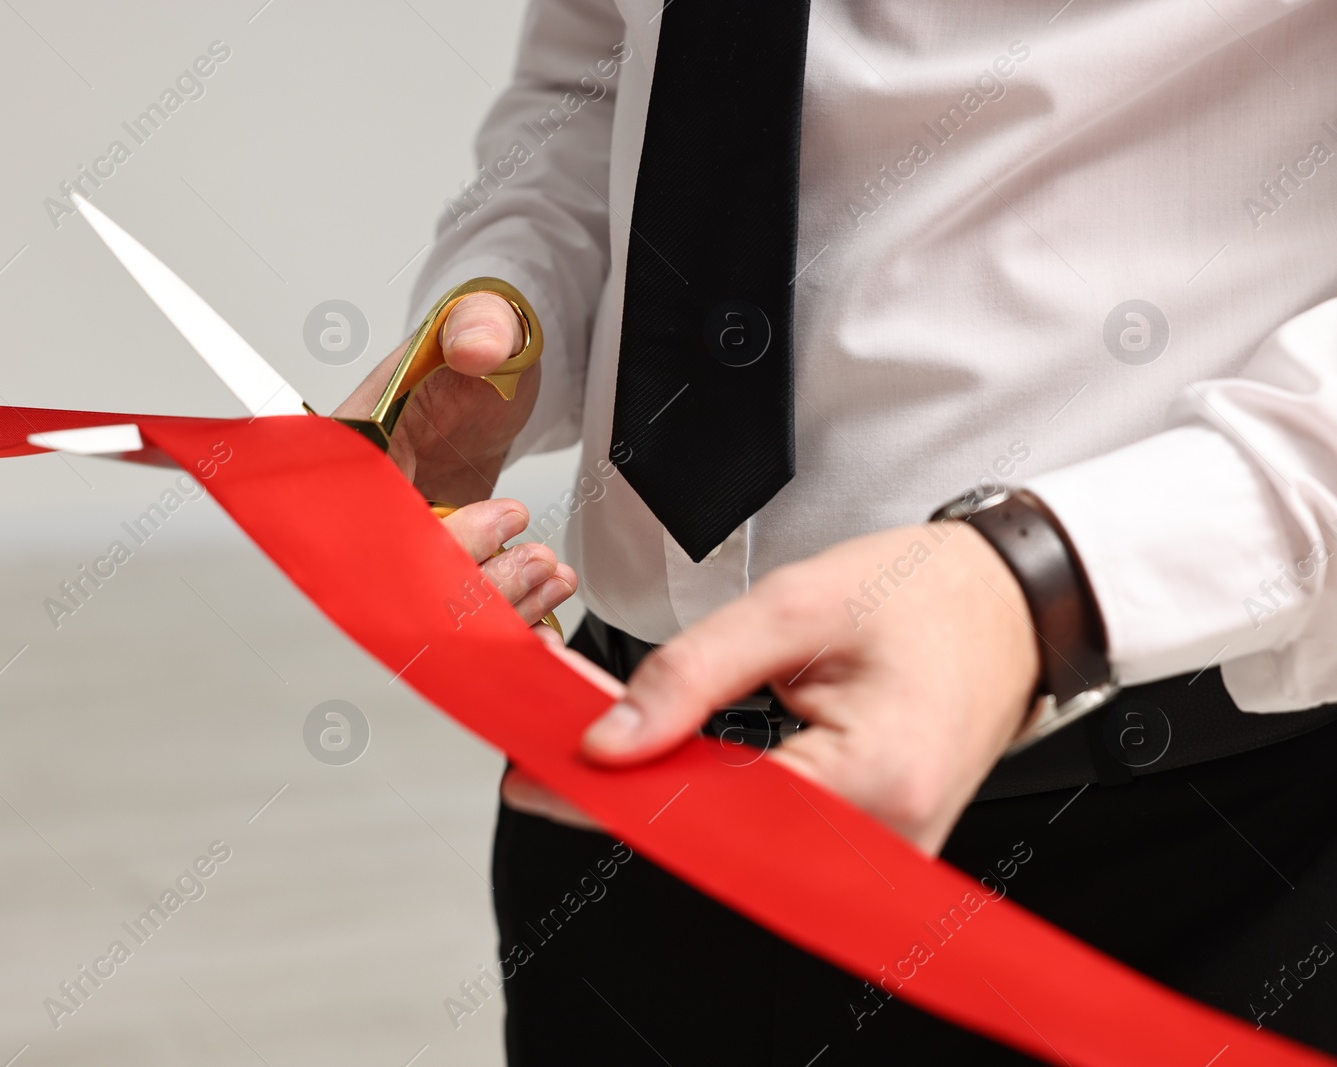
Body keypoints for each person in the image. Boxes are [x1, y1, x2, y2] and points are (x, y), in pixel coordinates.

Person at [338, 1, 1337, 1061]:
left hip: (1184, 849)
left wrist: (1040, 585)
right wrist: (512, 305)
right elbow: (604, 66)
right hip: (622, 809)